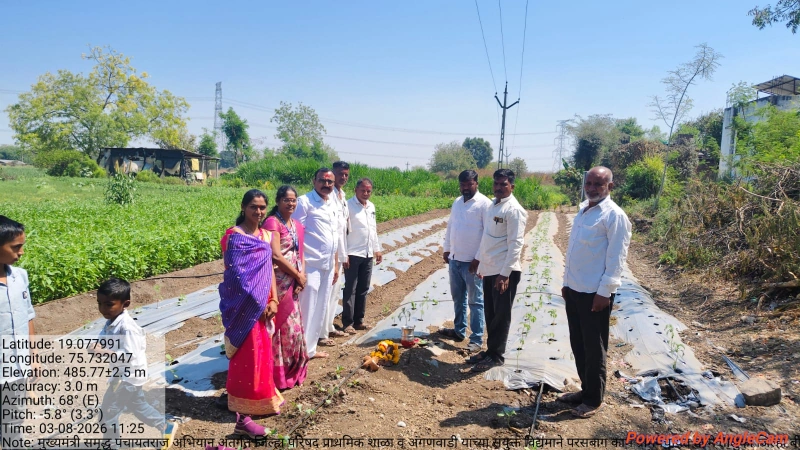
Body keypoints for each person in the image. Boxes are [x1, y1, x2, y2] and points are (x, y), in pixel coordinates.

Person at [560, 166, 631, 419]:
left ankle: (593, 399)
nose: (591, 188)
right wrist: (567, 283)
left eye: (598, 184)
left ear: (610, 187)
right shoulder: (583, 210)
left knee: (594, 347)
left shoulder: (614, 216)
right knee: (578, 344)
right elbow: (575, 251)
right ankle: (585, 389)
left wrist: (605, 293)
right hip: (575, 289)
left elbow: (616, 259)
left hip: (594, 294)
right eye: (588, 183)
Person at [219, 189, 283, 437]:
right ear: (243, 207)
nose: (258, 212)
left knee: (263, 351)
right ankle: (241, 401)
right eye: (254, 207)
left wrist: (274, 299)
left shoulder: (267, 235)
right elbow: (233, 276)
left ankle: (263, 397)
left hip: (264, 303)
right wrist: (253, 300)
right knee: (247, 352)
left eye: (262, 208)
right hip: (243, 306)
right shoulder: (233, 237)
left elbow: (269, 271)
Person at [94, 278, 178, 447]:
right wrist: (97, 344)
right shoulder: (111, 321)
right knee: (138, 406)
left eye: (109, 304)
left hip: (127, 377)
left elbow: (128, 355)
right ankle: (165, 425)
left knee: (108, 412)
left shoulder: (127, 327)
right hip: (125, 376)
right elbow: (103, 338)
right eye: (100, 303)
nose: (103, 309)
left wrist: (103, 352)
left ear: (125, 304)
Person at [468, 169, 527, 373]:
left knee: (501, 315)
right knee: (491, 312)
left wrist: (505, 274)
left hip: (504, 272)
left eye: (504, 184)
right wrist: (480, 262)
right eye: (496, 183)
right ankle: (490, 350)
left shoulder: (514, 210)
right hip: (491, 268)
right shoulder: (494, 205)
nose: (499, 187)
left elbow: (516, 244)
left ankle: (497, 356)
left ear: (512, 186)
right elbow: (488, 238)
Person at [438, 170, 491, 353]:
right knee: (458, 297)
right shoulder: (457, 203)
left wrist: (479, 258)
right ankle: (459, 331)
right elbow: (451, 226)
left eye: (469, 184)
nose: (465, 188)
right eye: (462, 185)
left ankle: (476, 339)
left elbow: (487, 235)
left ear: (476, 183)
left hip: (472, 263)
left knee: (476, 302)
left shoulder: (485, 204)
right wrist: (447, 249)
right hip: (455, 260)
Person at [263, 185, 309, 390]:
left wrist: (302, 277)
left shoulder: (296, 224)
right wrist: (297, 275)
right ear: (278, 201)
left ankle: (293, 365)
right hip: (279, 282)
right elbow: (275, 255)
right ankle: (278, 373)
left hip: (295, 280)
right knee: (283, 327)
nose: (291, 204)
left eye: (293, 200)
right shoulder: (273, 222)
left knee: (295, 326)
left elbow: (301, 253)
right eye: (286, 200)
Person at [295, 169, 341, 359]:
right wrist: (300, 268)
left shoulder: (333, 202)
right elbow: (296, 234)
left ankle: (310, 349)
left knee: (320, 307)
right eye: (322, 180)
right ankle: (298, 351)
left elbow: (335, 235)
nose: (327, 185)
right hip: (311, 265)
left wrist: (336, 264)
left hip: (328, 265)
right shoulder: (305, 202)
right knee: (307, 309)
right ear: (314, 181)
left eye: (330, 182)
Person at [0, 216, 36, 445]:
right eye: (16, 247)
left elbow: (28, 316)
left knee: (13, 426)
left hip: (17, 369)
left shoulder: (20, 277)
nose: (21, 252)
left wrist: (33, 356)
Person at [341, 178, 383, 333]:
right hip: (352, 252)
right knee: (350, 288)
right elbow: (342, 231)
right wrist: (344, 253)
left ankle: (359, 320)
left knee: (363, 288)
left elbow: (373, 230)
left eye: (368, 191)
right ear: (355, 190)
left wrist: (376, 249)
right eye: (363, 190)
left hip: (367, 253)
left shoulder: (371, 206)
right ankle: (348, 323)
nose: (366, 193)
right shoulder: (347, 205)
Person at [323, 161, 350, 340]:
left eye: (346, 174)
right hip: (329, 251)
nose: (343, 177)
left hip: (339, 250)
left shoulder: (341, 195)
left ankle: (329, 326)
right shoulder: (327, 196)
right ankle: (321, 331)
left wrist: (344, 254)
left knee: (334, 292)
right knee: (325, 293)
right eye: (340, 174)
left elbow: (343, 228)